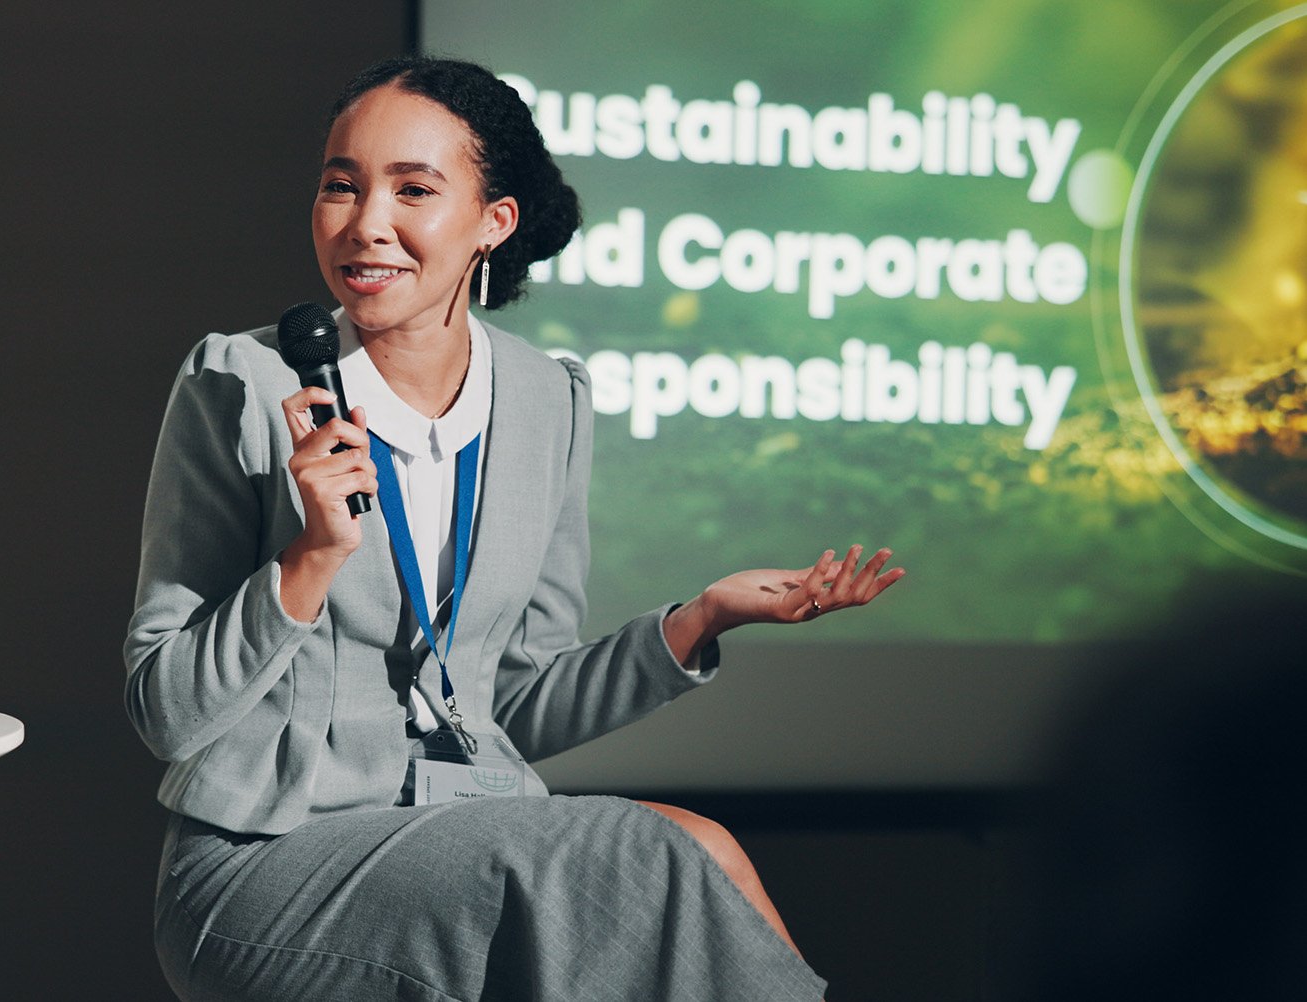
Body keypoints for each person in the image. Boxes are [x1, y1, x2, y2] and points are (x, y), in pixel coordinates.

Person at [124, 56, 904, 1001]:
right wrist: (310, 557)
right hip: (269, 863)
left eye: (414, 189)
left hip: (468, 836)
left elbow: (513, 704)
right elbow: (167, 712)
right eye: (342, 186)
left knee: (698, 850)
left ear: (494, 224)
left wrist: (701, 620)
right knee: (642, 857)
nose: (367, 223)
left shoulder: (547, 402)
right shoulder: (239, 384)